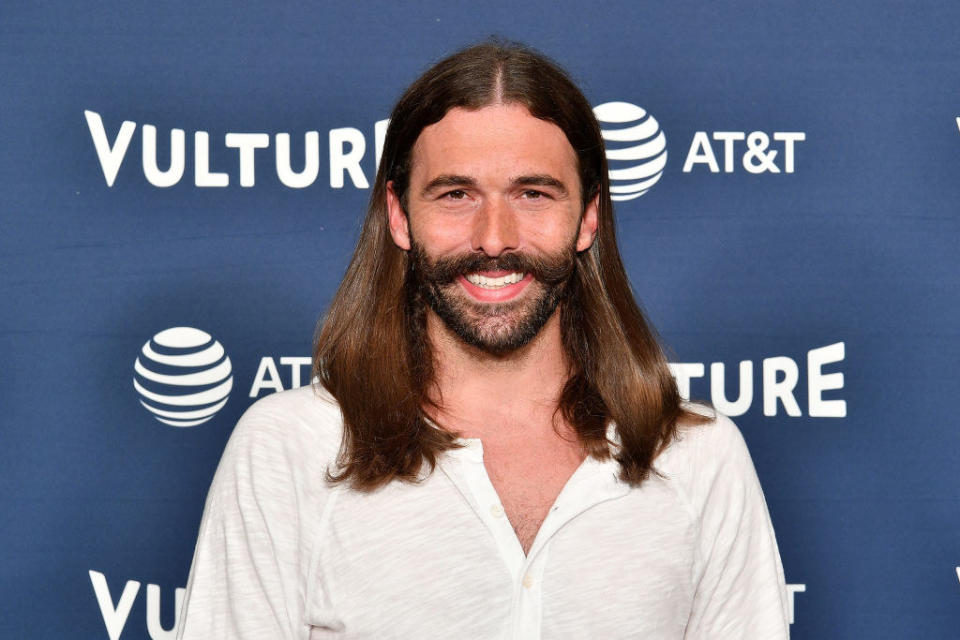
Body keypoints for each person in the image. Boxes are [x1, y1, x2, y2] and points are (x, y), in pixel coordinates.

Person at [176, 42, 790, 639]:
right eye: (455, 194)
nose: (494, 237)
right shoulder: (291, 451)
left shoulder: (698, 460)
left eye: (533, 194)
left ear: (589, 217)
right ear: (399, 215)